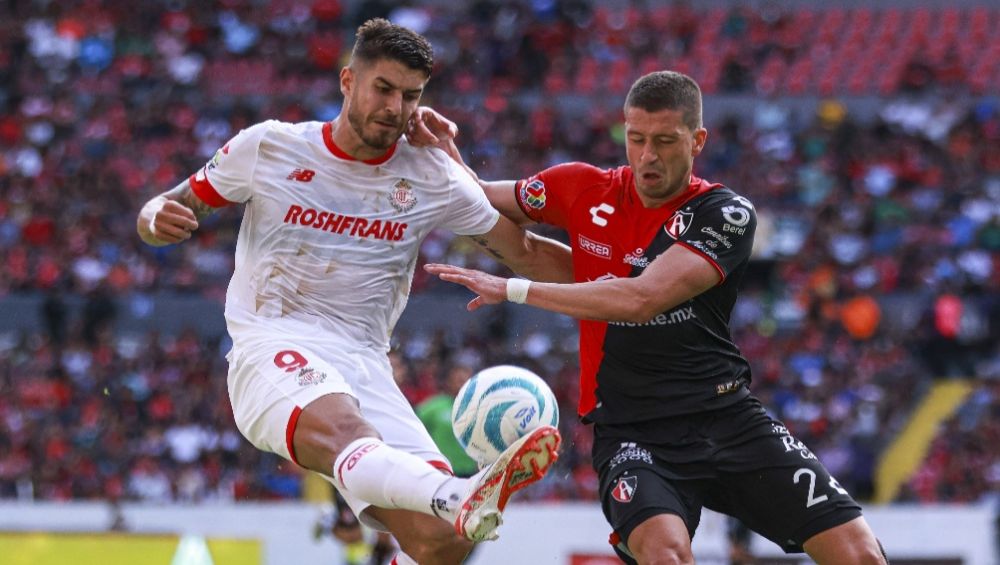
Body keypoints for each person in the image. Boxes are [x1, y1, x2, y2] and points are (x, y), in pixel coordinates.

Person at [136, 19, 568, 565]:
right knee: (351, 432)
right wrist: (155, 217)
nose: (395, 107)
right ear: (347, 81)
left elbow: (525, 253)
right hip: (271, 345)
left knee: (446, 544)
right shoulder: (269, 146)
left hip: (365, 363)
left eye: (411, 96)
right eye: (382, 89)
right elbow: (166, 208)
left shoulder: (432, 176)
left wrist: (631, 285)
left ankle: (454, 500)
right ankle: (456, 491)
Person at [423, 71, 889, 564]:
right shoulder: (581, 187)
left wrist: (515, 289)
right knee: (666, 555)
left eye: (665, 141)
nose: (648, 155)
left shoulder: (724, 214)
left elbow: (643, 298)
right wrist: (438, 155)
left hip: (727, 418)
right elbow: (475, 196)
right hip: (632, 433)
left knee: (861, 554)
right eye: (637, 138)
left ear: (698, 140)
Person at [416, 363, 480, 478]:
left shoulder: (480, 408)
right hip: (440, 471)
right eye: (458, 380)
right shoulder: (433, 407)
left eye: (465, 380)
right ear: (449, 381)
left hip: (472, 473)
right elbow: (415, 431)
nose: (462, 384)